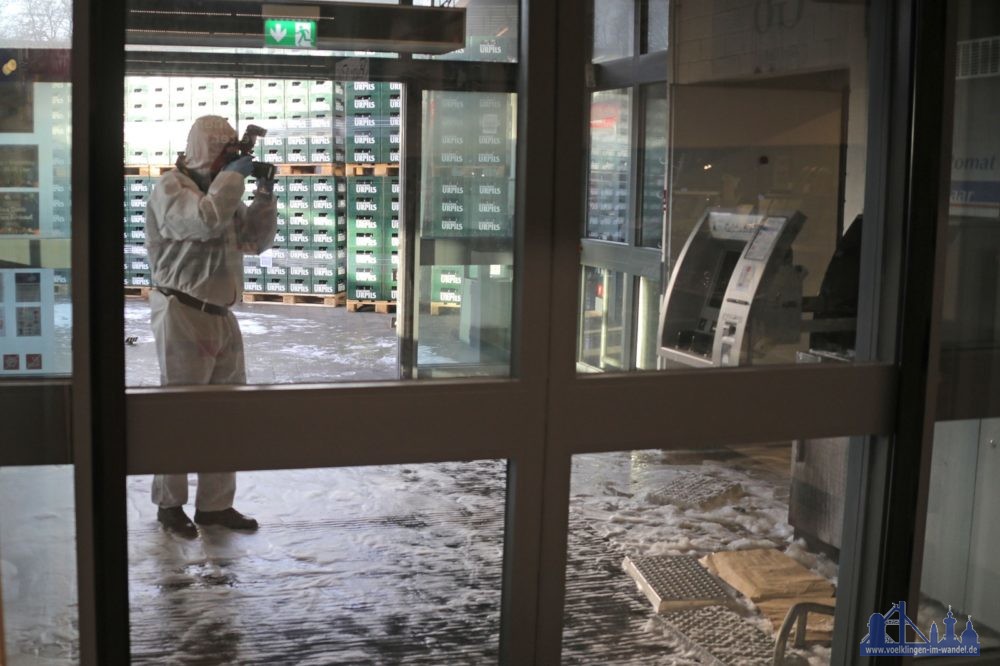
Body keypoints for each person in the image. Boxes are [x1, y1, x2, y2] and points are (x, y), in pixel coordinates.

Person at [145, 115, 277, 538]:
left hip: (221, 315)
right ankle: (170, 505)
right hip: (182, 313)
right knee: (181, 417)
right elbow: (202, 221)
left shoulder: (222, 191)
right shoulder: (172, 188)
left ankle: (215, 506)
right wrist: (232, 181)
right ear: (205, 151)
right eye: (225, 153)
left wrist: (264, 194)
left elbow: (256, 241)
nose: (230, 161)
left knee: (225, 415)